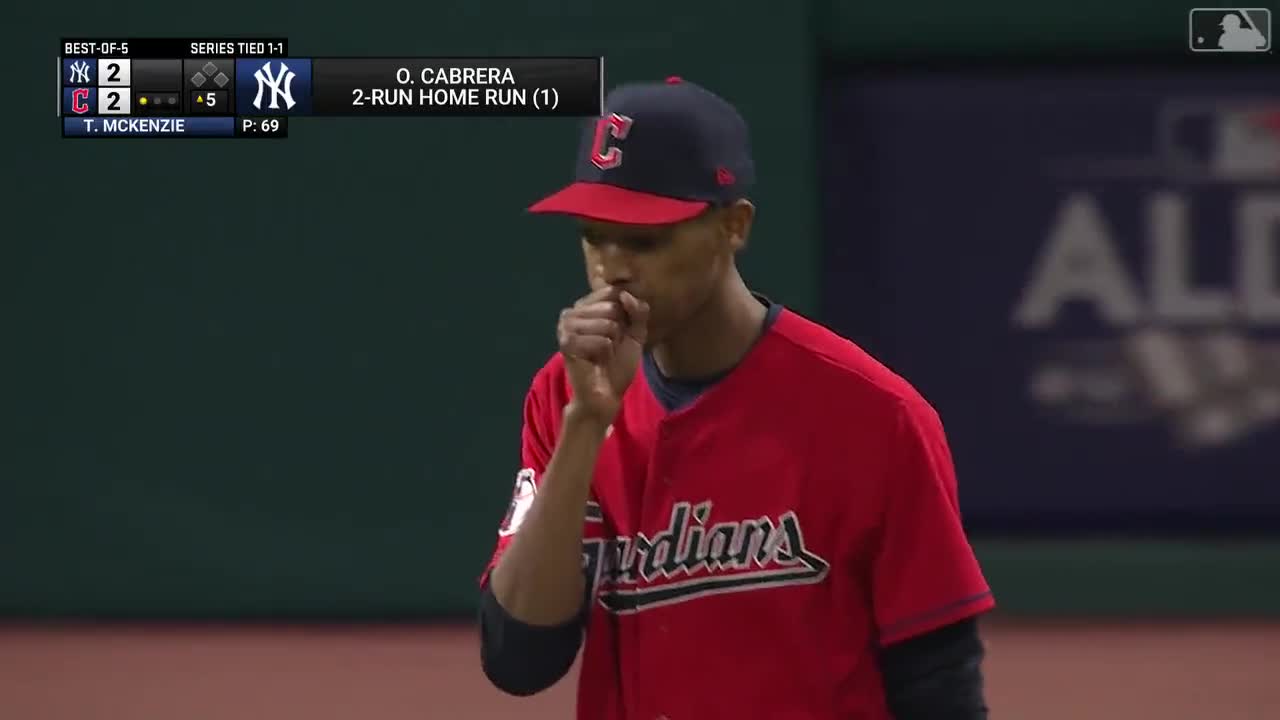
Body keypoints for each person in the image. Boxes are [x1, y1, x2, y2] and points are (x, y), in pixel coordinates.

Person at [477, 76, 995, 719]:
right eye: (593, 235)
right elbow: (519, 659)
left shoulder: (875, 415)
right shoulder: (564, 394)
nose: (612, 268)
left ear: (734, 227)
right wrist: (585, 427)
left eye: (645, 240)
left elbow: (938, 678)